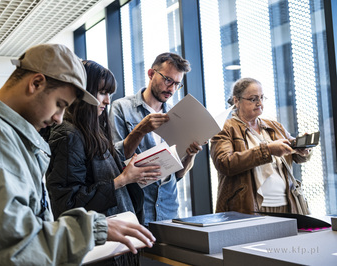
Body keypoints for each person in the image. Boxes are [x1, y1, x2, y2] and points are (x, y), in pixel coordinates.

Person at [0, 44, 155, 266]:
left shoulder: (3, 133)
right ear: (36, 83)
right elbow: (9, 251)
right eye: (59, 105)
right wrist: (92, 229)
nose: (59, 118)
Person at [45, 60, 161, 265]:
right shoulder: (68, 135)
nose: (107, 101)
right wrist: (120, 181)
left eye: (110, 94)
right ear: (82, 93)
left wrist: (129, 172)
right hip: (99, 250)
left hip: (117, 247)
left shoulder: (93, 131)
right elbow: (67, 204)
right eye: (101, 92)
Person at [109, 52, 203, 226]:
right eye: (168, 80)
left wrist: (191, 154)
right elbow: (116, 162)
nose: (172, 89)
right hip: (136, 207)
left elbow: (177, 175)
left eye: (177, 84)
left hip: (168, 207)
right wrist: (139, 131)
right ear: (151, 74)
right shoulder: (121, 108)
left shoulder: (177, 115)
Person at [210, 77, 312, 214]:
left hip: (286, 206)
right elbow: (225, 163)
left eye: (262, 97)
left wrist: (303, 149)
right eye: (253, 99)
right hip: (248, 208)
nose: (259, 103)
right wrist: (267, 150)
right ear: (236, 101)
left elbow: (298, 158)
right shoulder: (225, 128)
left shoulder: (274, 126)